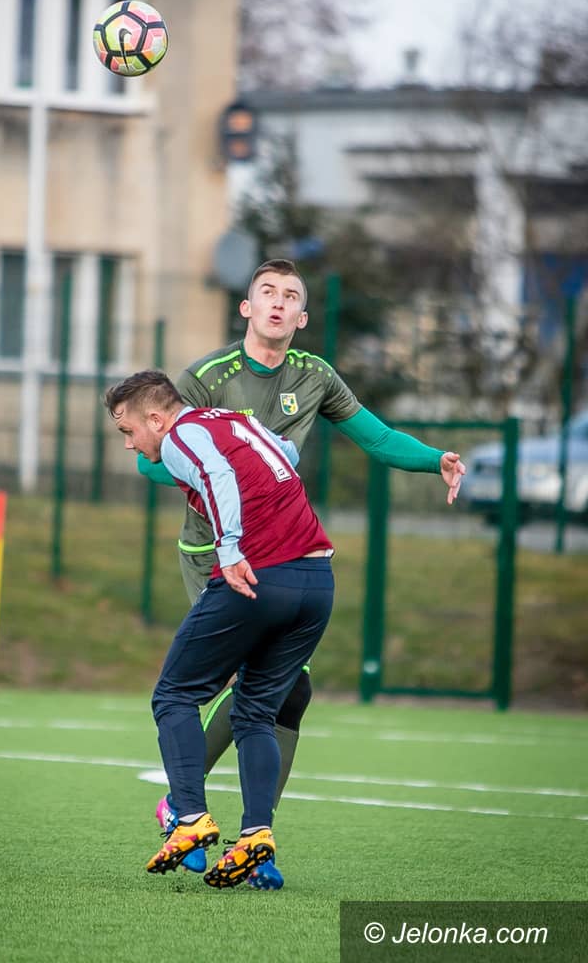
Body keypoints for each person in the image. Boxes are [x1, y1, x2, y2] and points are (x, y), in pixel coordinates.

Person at [138, 258, 465, 888]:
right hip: (216, 554)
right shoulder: (207, 377)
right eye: (267, 291)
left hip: (282, 552)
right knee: (243, 683)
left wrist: (435, 460)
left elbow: (376, 438)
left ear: (303, 316)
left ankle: (253, 839)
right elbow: (153, 457)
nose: (278, 302)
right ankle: (185, 806)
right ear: (246, 307)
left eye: (291, 295)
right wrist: (231, 464)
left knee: (289, 692)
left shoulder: (315, 375)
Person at [105, 370, 335, 888]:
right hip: (317, 581)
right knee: (255, 711)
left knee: (173, 695)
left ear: (156, 419)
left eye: (127, 431)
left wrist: (229, 548)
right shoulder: (234, 421)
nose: (129, 444)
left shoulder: (181, 436)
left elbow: (218, 474)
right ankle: (255, 835)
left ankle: (188, 817)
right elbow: (286, 454)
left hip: (259, 575)